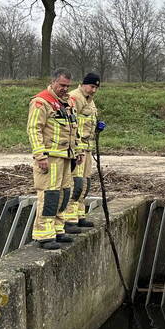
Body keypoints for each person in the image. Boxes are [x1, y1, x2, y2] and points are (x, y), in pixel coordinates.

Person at [28, 68, 79, 250]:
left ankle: (58, 229)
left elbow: (74, 129)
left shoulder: (67, 103)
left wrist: (77, 151)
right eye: (62, 85)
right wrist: (40, 155)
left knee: (64, 194)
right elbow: (34, 129)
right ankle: (43, 235)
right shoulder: (41, 101)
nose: (65, 88)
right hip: (50, 157)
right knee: (49, 195)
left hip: (66, 156)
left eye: (67, 86)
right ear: (53, 81)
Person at [64, 73, 105, 232]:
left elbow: (86, 122)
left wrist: (97, 127)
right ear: (83, 84)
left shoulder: (90, 100)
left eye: (96, 88)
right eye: (92, 86)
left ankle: (80, 215)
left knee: (85, 183)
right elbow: (72, 124)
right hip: (77, 148)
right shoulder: (74, 98)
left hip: (87, 147)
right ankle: (69, 219)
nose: (94, 90)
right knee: (76, 183)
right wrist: (77, 148)